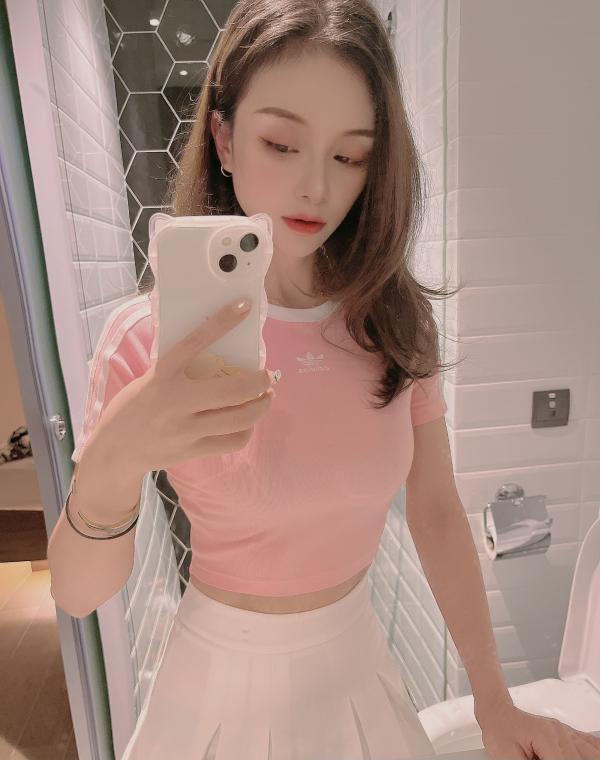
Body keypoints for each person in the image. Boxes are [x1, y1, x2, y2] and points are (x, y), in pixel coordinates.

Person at [49, 0, 458, 757]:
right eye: (282, 144)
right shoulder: (145, 338)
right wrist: (111, 460)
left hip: (360, 671)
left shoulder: (393, 322)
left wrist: (495, 704)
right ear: (225, 139)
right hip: (216, 688)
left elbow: (437, 512)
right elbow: (77, 594)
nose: (315, 187)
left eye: (350, 157)